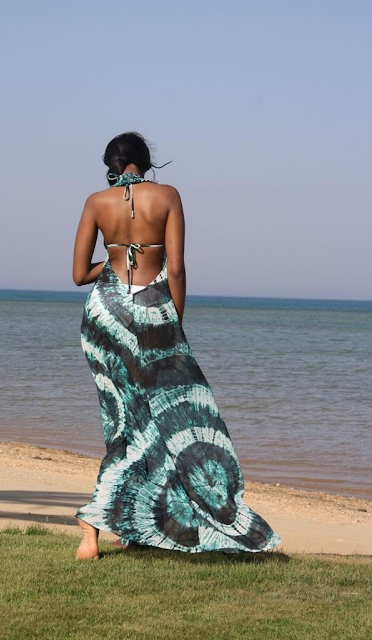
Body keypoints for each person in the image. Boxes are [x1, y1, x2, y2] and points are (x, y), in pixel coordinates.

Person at [72, 132, 282, 559]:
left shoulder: (96, 202)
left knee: (123, 422)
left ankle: (109, 527)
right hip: (153, 312)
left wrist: (115, 256)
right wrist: (176, 323)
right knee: (175, 417)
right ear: (146, 161)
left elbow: (78, 275)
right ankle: (101, 516)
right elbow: (178, 269)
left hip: (104, 314)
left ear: (111, 166)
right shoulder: (168, 196)